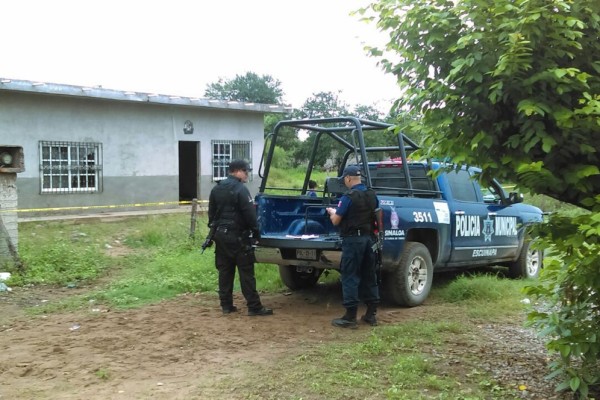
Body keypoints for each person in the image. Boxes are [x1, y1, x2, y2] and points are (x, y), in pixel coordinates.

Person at [208, 159, 273, 317]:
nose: (247, 175)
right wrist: (256, 233)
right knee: (246, 272)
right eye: (245, 171)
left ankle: (226, 305)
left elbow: (211, 216)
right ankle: (254, 306)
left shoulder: (216, 189)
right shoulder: (241, 189)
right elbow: (250, 214)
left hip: (220, 236)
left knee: (225, 271)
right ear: (237, 171)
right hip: (238, 237)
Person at [326, 165, 380, 328]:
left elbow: (336, 220)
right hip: (369, 240)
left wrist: (332, 212)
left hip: (353, 241)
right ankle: (371, 314)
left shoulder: (348, 197)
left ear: (348, 178)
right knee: (370, 275)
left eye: (344, 179)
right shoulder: (372, 194)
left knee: (350, 275)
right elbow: (378, 214)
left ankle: (350, 317)